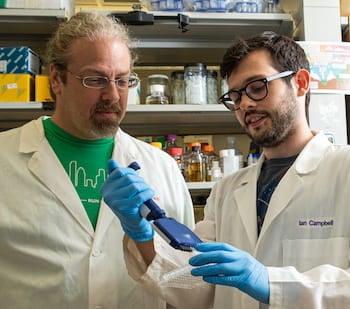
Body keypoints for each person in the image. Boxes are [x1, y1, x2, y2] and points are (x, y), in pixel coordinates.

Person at [100, 31, 350, 309]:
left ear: (300, 83)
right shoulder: (226, 191)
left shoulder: (344, 170)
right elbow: (196, 286)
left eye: (257, 87)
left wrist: (269, 282)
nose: (245, 104)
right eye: (235, 95)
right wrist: (142, 237)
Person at [0, 12, 195, 309]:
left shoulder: (162, 167)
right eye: (96, 79)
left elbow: (189, 283)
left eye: (122, 80)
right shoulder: (5, 157)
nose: (112, 94)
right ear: (56, 79)